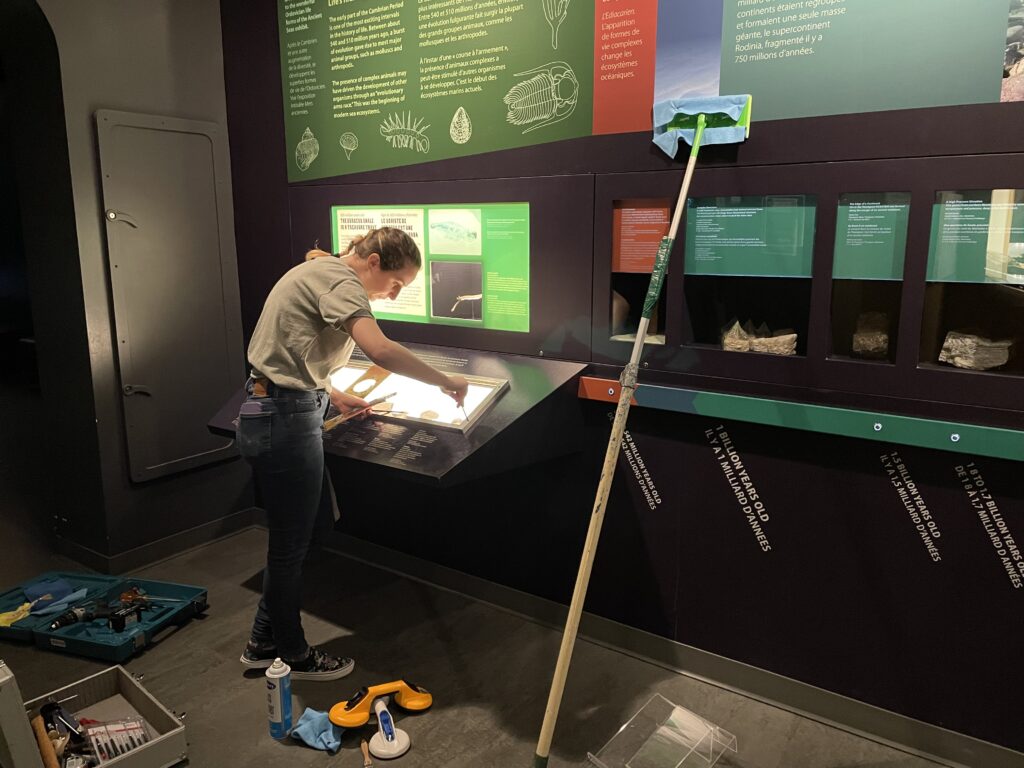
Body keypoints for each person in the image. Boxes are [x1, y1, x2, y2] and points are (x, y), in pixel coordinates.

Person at [236, 226, 468, 680]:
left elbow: (290, 349)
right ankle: (293, 654)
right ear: (375, 261)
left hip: (278, 405)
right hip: (285, 416)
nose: (395, 294)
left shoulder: (321, 270)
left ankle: (265, 638)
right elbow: (378, 348)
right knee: (290, 544)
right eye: (397, 283)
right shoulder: (342, 281)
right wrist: (447, 380)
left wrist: (332, 393)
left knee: (309, 528)